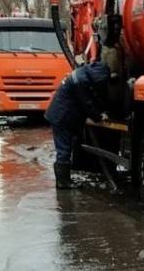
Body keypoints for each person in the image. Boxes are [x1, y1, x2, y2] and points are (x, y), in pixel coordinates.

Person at [44, 60, 111, 189]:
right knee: (64, 149)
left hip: (61, 115)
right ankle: (63, 182)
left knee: (65, 148)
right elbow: (87, 102)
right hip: (61, 117)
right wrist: (99, 116)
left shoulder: (82, 74)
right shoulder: (81, 81)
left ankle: (64, 180)